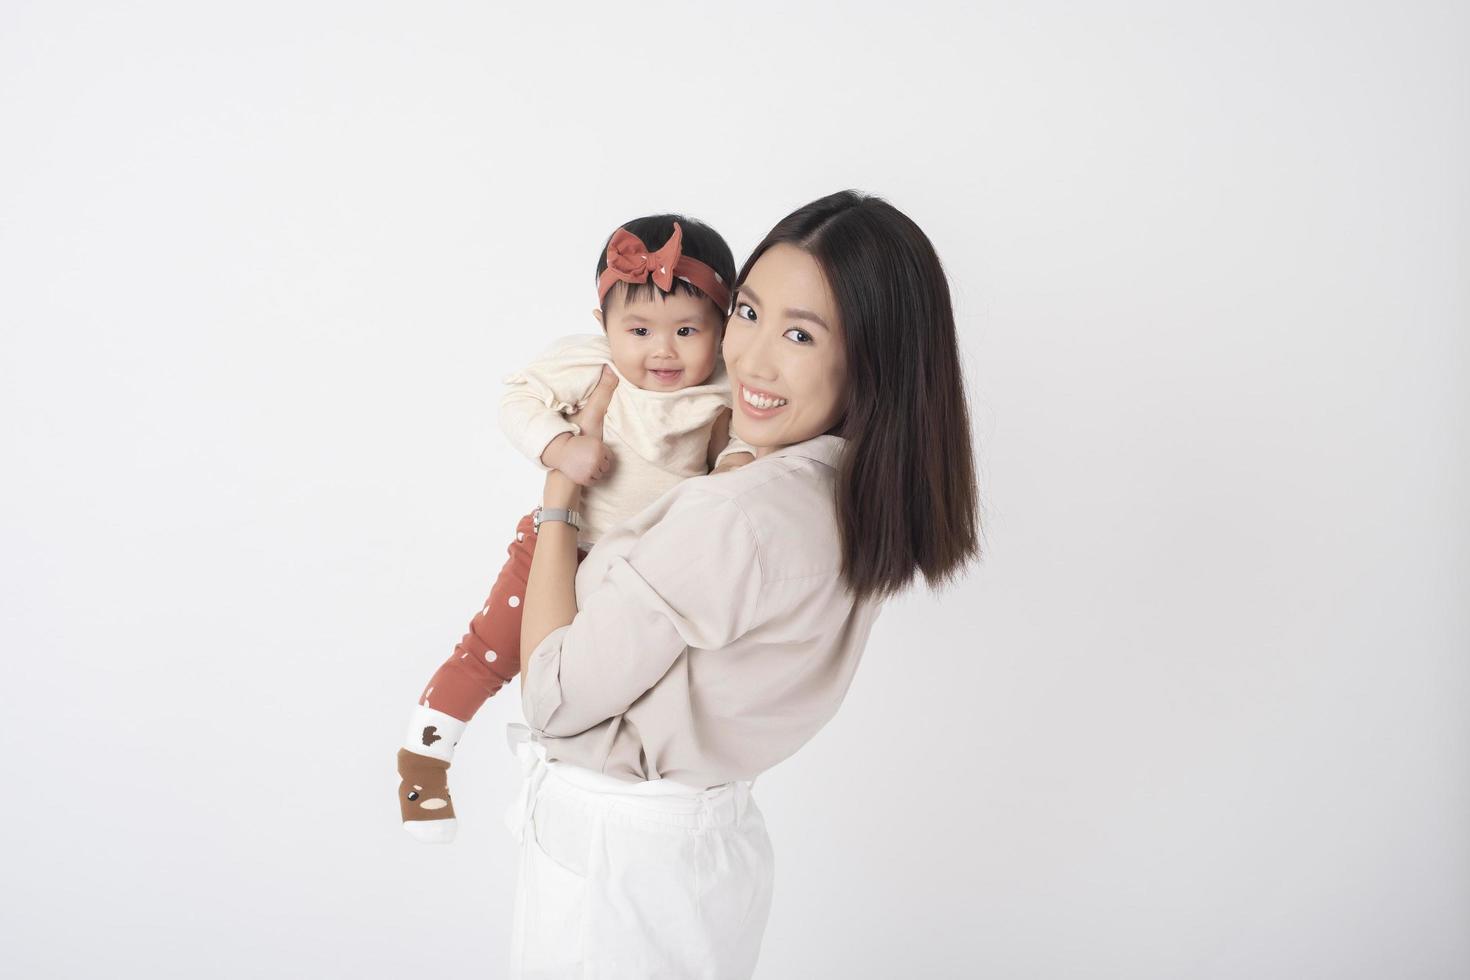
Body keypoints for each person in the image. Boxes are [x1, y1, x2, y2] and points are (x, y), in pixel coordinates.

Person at [509, 189, 981, 978]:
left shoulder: (734, 515)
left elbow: (551, 697)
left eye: (799, 334)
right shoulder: (847, 496)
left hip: (619, 862)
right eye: (750, 314)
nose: (751, 360)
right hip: (705, 850)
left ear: (872, 358)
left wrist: (556, 505)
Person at [395, 214, 756, 843]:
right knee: (493, 648)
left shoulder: (724, 389)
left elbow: (738, 446)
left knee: (605, 681)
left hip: (640, 575)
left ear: (722, 330)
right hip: (561, 544)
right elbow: (515, 399)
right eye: (638, 330)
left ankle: (600, 781)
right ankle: (424, 762)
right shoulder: (591, 364)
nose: (662, 351)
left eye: (687, 331)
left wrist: (733, 464)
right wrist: (561, 447)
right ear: (604, 326)